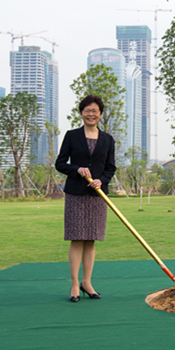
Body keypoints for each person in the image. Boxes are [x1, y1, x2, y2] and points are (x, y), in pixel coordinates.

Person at [55, 95, 116, 302]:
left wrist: (101, 181)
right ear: (81, 113)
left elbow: (110, 167)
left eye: (95, 111)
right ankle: (74, 284)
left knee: (91, 240)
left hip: (97, 196)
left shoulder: (108, 139)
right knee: (77, 238)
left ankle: (87, 282)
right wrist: (76, 169)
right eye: (87, 110)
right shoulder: (72, 136)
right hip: (75, 194)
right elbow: (60, 163)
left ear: (100, 114)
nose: (91, 114)